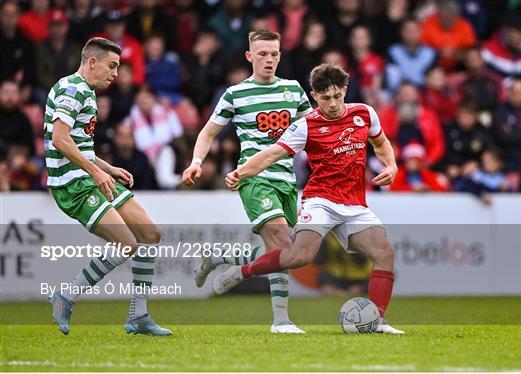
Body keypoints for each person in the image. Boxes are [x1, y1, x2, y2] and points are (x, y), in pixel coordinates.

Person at [219, 63, 404, 334]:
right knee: (299, 257)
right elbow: (271, 154)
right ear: (314, 96)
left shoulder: (364, 113)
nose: (332, 103)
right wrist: (240, 173)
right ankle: (242, 272)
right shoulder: (305, 126)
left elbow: (381, 142)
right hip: (321, 201)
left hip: (354, 204)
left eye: (337, 96)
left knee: (384, 253)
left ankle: (376, 320)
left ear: (345, 91)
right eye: (325, 97)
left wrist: (391, 165)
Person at [182, 30, 312, 334]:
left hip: (287, 180)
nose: (269, 59)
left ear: (280, 55)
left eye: (274, 54)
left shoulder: (293, 90)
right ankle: (279, 317)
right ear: (249, 56)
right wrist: (196, 162)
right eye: (263, 54)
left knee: (284, 254)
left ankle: (224, 261)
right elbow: (208, 132)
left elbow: (314, 132)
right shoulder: (235, 94)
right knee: (282, 240)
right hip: (253, 177)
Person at [46, 37, 170, 336]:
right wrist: (95, 172)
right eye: (112, 66)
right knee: (126, 244)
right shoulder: (73, 89)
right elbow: (59, 140)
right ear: (92, 62)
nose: (115, 74)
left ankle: (138, 316)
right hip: (71, 183)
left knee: (150, 234)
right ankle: (66, 295)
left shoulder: (86, 92)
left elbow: (80, 146)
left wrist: (107, 168)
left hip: (88, 175)